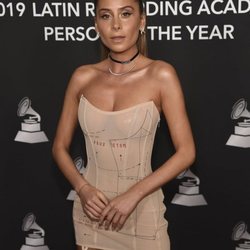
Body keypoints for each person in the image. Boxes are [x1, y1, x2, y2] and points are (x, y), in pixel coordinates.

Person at [52, 0, 196, 249]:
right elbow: (59, 147)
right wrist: (82, 188)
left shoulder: (161, 75)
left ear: (141, 21)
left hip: (141, 212)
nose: (116, 25)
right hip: (91, 214)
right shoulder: (82, 77)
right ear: (96, 24)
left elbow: (186, 152)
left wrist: (134, 195)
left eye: (126, 14)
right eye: (106, 16)